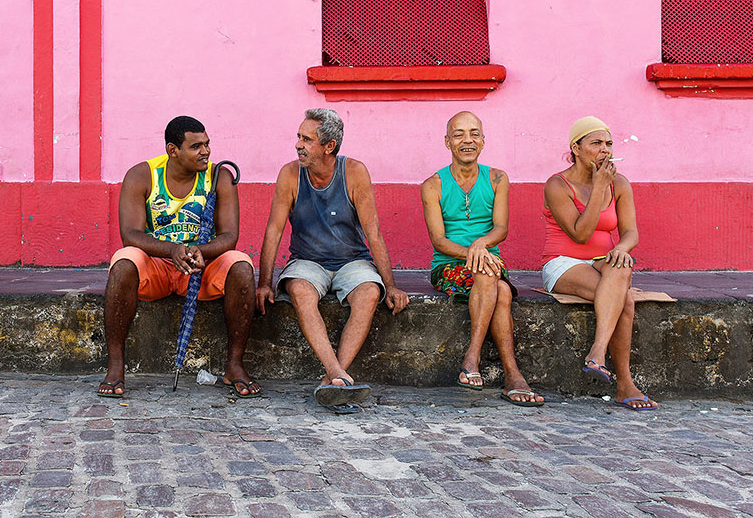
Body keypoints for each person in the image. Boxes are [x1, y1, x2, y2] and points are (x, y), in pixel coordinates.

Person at [257, 109, 408, 413]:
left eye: (306, 139)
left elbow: (373, 233)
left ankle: (333, 378)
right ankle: (338, 374)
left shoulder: (354, 172)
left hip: (352, 260)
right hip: (307, 260)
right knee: (300, 290)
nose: (298, 145)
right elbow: (273, 230)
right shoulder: (290, 174)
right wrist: (264, 283)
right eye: (299, 137)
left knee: (370, 293)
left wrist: (390, 285)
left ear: (329, 146)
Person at [99, 116, 259, 398]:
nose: (206, 151)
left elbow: (229, 235)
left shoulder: (219, 176)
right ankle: (115, 366)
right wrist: (171, 250)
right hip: (158, 266)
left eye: (207, 144)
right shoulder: (142, 175)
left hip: (201, 267)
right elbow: (130, 234)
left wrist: (202, 251)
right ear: (173, 150)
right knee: (123, 261)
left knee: (242, 265)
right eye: (196, 146)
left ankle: (234, 365)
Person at [420, 112, 544, 405]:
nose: (468, 140)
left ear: (483, 141)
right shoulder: (433, 185)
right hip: (448, 266)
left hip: (489, 261)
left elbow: (501, 228)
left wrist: (480, 245)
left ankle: (474, 359)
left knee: (497, 285)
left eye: (474, 133)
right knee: (497, 285)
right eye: (459, 134)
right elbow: (439, 240)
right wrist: (473, 253)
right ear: (447, 142)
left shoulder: (498, 178)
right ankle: (510, 374)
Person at [542, 116, 657, 411]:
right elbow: (580, 234)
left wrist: (620, 248)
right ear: (576, 148)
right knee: (624, 300)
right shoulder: (557, 184)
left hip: (602, 261)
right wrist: (598, 187)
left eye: (608, 143)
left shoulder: (619, 183)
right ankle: (624, 383)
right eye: (596, 143)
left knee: (622, 264)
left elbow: (631, 232)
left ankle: (598, 353)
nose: (604, 150)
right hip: (563, 263)